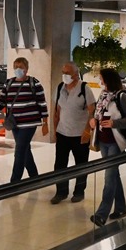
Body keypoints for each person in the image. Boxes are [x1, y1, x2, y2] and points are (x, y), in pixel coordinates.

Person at [88, 69, 126, 226]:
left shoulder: (121, 97)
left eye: (102, 79)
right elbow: (98, 113)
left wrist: (114, 123)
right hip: (103, 140)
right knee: (113, 174)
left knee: (109, 178)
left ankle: (101, 214)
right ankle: (121, 207)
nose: (101, 82)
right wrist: (93, 121)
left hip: (116, 142)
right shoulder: (103, 95)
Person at [0, 57, 48, 183]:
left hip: (29, 123)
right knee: (25, 149)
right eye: (16, 67)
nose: (18, 70)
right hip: (15, 123)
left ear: (27, 69)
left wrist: (45, 123)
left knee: (20, 150)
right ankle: (35, 178)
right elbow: (1, 100)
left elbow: (42, 103)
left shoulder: (34, 83)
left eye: (21, 67)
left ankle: (14, 182)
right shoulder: (9, 83)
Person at [50, 62, 96, 204]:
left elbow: (92, 111)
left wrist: (87, 131)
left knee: (81, 165)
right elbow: (57, 111)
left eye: (68, 73)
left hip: (80, 135)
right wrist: (55, 130)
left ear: (76, 74)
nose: (65, 75)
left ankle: (79, 192)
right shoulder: (59, 88)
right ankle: (61, 191)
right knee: (60, 165)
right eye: (63, 72)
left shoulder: (84, 88)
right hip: (63, 133)